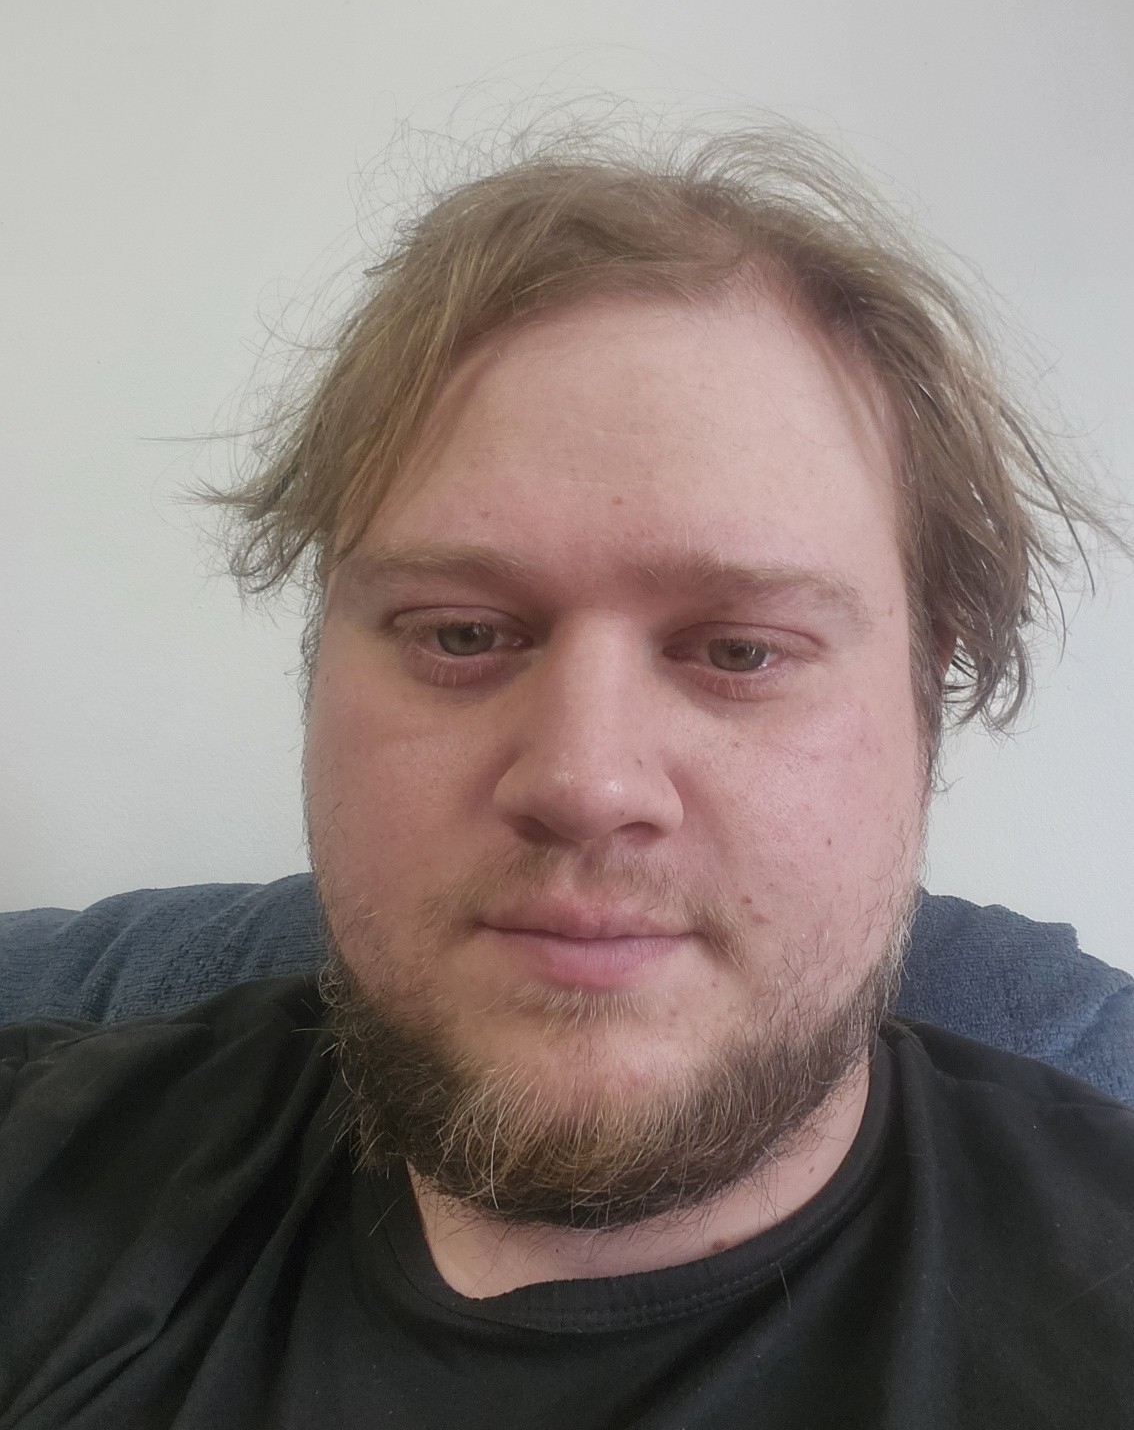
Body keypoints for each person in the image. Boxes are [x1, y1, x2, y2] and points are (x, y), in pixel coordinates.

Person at [2, 121, 1133, 1429]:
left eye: (740, 650)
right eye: (460, 635)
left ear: (928, 699)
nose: (586, 785)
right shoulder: (44, 1168)